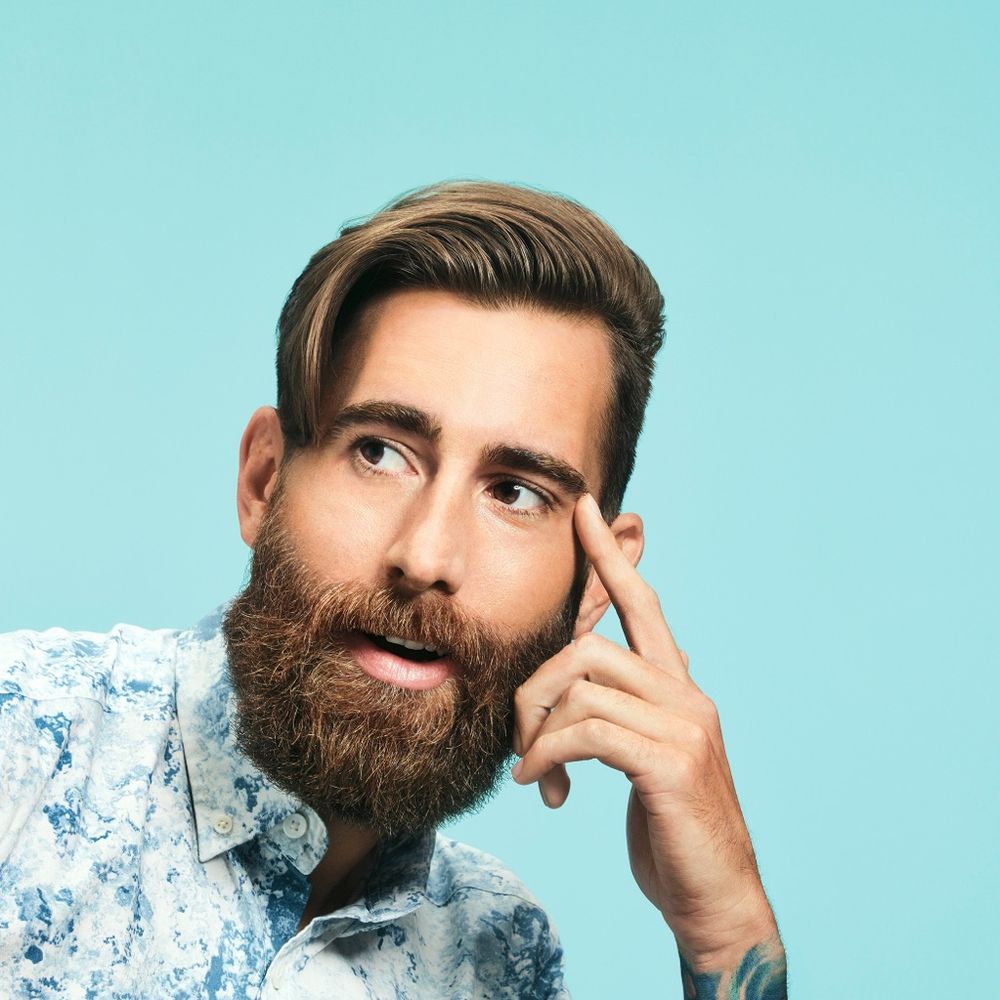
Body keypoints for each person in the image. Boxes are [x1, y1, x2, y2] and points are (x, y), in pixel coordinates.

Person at [0, 181, 787, 999]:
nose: (426, 555)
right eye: (380, 452)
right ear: (264, 480)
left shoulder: (499, 954)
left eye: (515, 492)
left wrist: (727, 930)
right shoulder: (21, 749)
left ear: (596, 580)